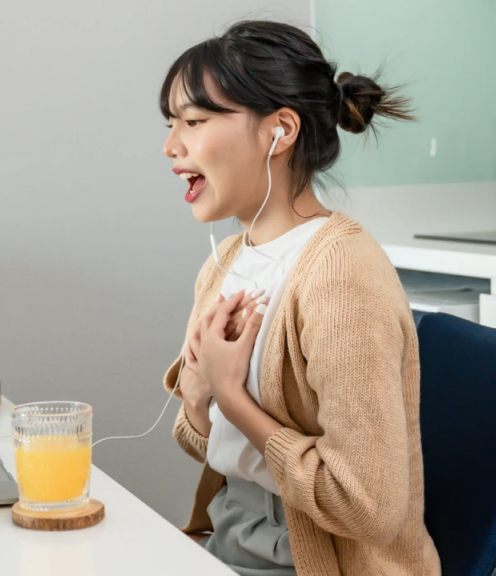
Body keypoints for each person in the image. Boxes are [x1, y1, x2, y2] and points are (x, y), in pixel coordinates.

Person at [160, 20, 441, 575]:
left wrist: (228, 394)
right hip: (232, 539)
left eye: (193, 121)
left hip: (315, 561)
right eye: (171, 124)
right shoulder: (224, 265)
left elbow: (370, 509)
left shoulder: (341, 276)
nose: (171, 146)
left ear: (280, 130)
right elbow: (212, 449)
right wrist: (197, 398)